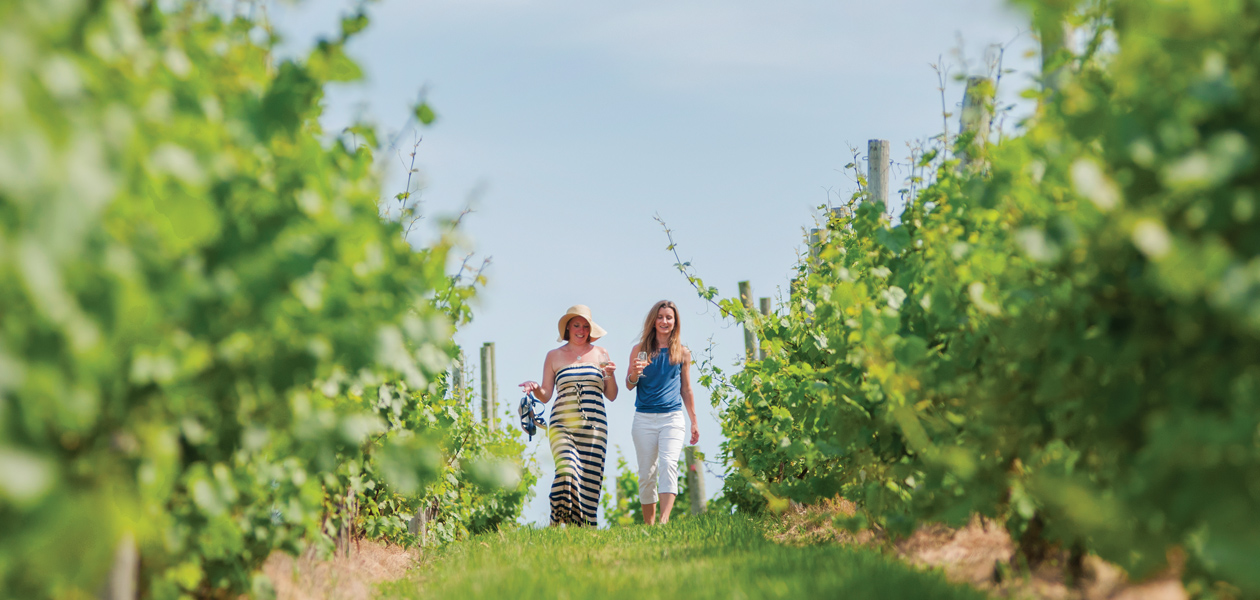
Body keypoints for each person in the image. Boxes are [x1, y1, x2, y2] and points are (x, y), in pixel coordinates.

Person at [519, 305, 617, 527]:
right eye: (576, 325)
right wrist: (534, 387)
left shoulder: (601, 353)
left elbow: (612, 395)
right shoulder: (553, 356)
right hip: (562, 424)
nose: (581, 330)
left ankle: (583, 529)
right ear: (568, 329)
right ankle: (557, 520)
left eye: (585, 326)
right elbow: (546, 395)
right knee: (567, 470)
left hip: (595, 426)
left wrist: (610, 376)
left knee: (590, 481)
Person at [625, 300, 699, 525]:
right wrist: (635, 373)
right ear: (653, 321)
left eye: (669, 317)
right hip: (644, 419)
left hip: (672, 418)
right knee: (646, 474)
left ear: (675, 322)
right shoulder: (639, 350)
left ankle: (664, 521)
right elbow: (629, 385)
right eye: (660, 317)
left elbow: (686, 389)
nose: (664, 321)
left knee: (668, 464)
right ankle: (650, 526)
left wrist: (694, 421)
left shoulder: (682, 353)